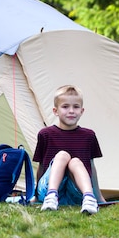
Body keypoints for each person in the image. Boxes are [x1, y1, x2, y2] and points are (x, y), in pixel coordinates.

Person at [33, 85, 105, 214]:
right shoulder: (45, 134)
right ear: (55, 111)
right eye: (65, 107)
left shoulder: (89, 136)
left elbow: (92, 167)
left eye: (76, 107)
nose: (71, 111)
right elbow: (42, 166)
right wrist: (36, 195)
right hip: (49, 189)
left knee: (75, 162)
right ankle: (51, 196)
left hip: (77, 193)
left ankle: (89, 199)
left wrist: (99, 196)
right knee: (62, 155)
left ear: (82, 111)